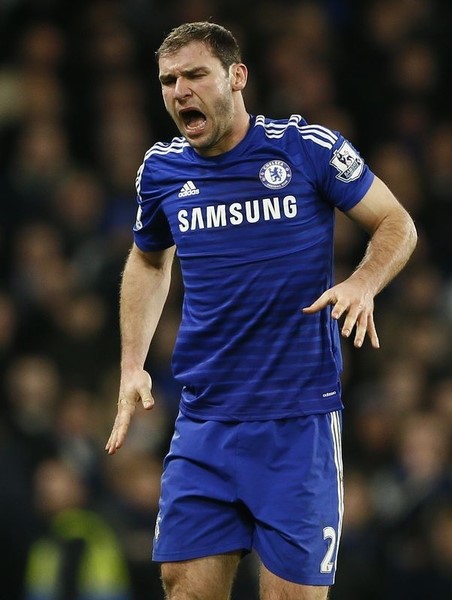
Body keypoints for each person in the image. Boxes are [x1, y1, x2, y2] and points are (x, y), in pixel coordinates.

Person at [105, 21, 417, 600]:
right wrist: (132, 365)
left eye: (195, 74)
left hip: (296, 423)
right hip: (204, 420)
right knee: (185, 588)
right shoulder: (163, 170)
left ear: (237, 76)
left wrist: (363, 284)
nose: (180, 92)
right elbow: (149, 261)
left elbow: (397, 222)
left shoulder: (306, 149)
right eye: (168, 81)